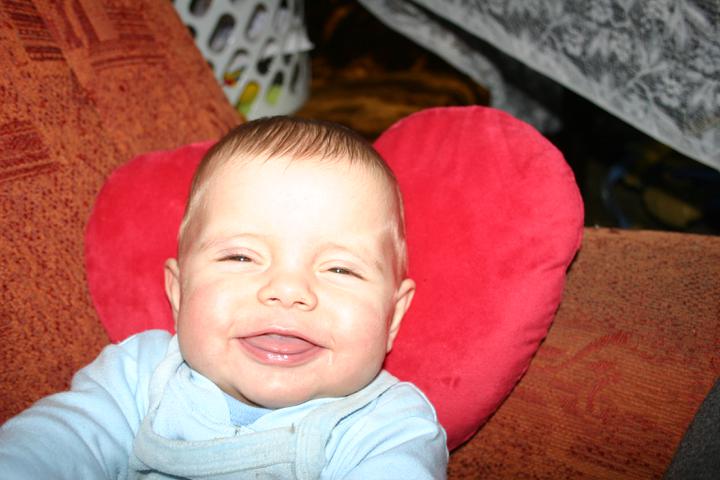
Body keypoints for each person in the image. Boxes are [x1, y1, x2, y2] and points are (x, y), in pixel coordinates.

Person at [0, 116, 448, 479]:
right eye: (240, 257)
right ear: (178, 292)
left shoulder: (388, 427)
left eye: (339, 269)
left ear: (393, 317)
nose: (288, 290)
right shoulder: (138, 377)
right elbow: (53, 444)